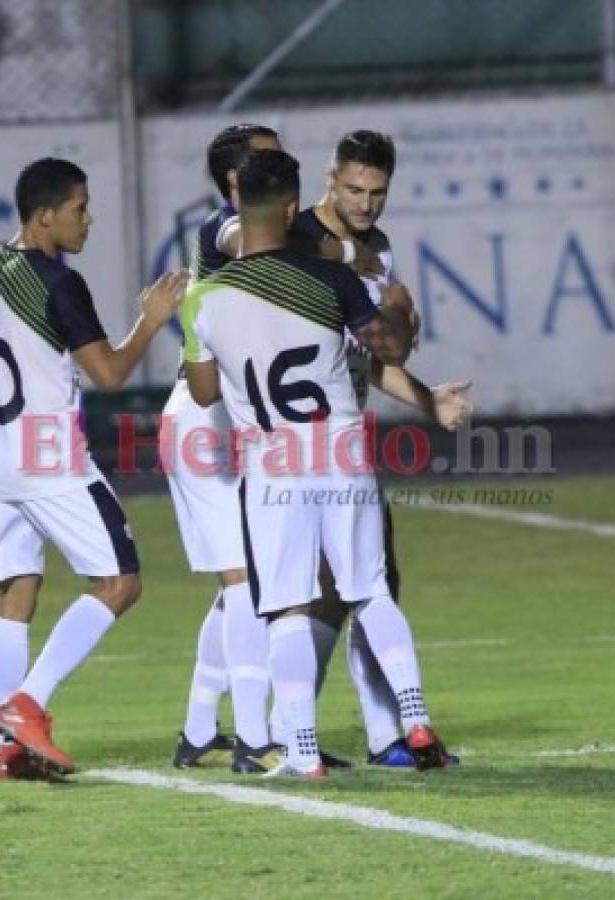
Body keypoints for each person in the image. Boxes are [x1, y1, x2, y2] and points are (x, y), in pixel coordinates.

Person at [182, 149, 448, 777]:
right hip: (342, 451)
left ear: (236, 204)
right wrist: (402, 311)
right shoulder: (332, 280)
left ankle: (301, 750)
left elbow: (201, 392)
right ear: (293, 204)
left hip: (272, 463)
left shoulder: (205, 299)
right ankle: (413, 713)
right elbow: (386, 345)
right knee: (372, 591)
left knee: (287, 609)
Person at [0, 157, 187, 779]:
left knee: (18, 589)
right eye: (79, 207)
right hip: (46, 457)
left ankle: (9, 750)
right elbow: (108, 373)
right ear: (44, 216)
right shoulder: (57, 283)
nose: (88, 218)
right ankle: (27, 706)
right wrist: (151, 321)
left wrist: (0, 420)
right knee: (119, 582)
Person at [286, 130, 470, 767]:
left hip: (339, 433)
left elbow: (370, 354)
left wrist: (427, 399)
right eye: (354, 189)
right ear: (329, 180)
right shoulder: (297, 238)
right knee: (308, 592)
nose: (365, 204)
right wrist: (377, 293)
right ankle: (281, 733)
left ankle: (377, 732)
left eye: (378, 192)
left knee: (360, 585)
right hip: (287, 440)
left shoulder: (378, 247)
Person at [166, 124, 286, 774]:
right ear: (237, 181)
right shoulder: (229, 227)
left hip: (219, 422)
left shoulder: (273, 234)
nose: (283, 164)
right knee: (244, 579)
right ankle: (254, 738)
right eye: (269, 159)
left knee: (241, 581)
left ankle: (197, 729)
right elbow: (248, 248)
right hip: (201, 423)